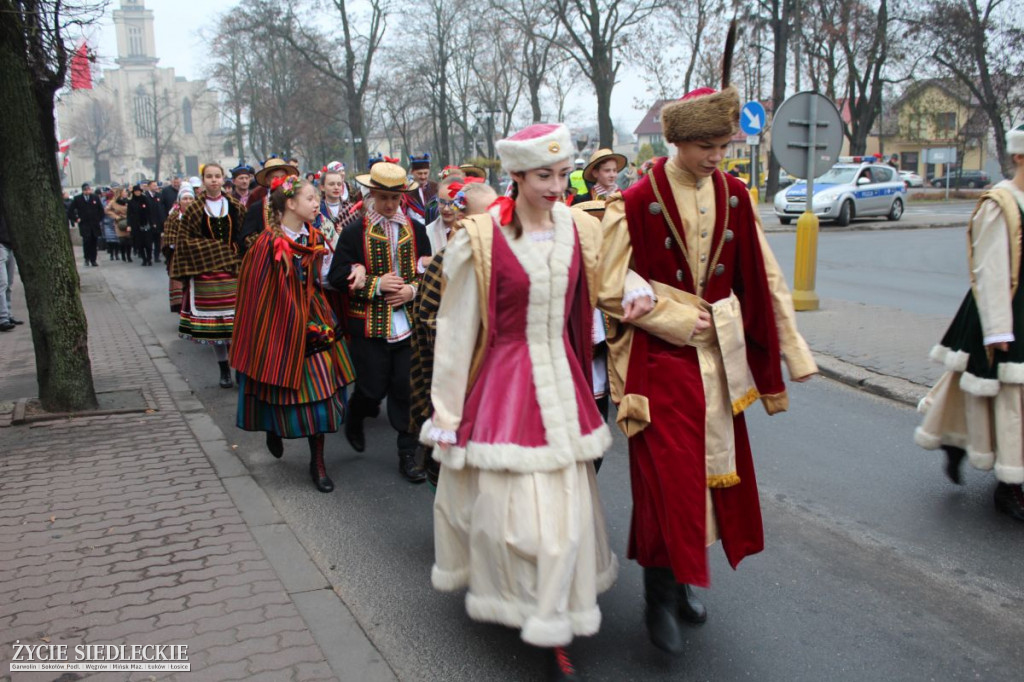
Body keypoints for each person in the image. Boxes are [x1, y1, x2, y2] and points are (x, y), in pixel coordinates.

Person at [596, 32, 817, 656]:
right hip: (656, 364)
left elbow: (765, 277)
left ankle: (687, 572)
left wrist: (792, 353)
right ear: (676, 140)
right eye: (706, 146)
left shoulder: (738, 195)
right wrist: (670, 319)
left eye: (725, 145)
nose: (719, 156)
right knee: (668, 481)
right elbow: (609, 287)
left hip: (719, 364)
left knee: (708, 477)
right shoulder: (633, 201)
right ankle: (658, 594)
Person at [422, 123, 616, 681]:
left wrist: (641, 294)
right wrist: (447, 412)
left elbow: (610, 283)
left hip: (563, 380)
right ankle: (526, 599)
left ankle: (551, 613)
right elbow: (456, 327)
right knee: (515, 519)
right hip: (506, 386)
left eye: (562, 174)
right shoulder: (481, 237)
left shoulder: (580, 227)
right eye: (543, 176)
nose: (557, 186)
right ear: (516, 176)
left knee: (564, 511)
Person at [915, 124, 1024, 522]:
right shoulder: (1002, 204)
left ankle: (954, 439)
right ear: (1018, 157)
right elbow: (991, 269)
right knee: (1010, 400)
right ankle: (1009, 487)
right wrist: (999, 329)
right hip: (1003, 311)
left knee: (969, 390)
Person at [231, 174, 356, 493]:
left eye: (317, 198)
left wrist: (354, 272)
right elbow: (254, 293)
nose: (317, 204)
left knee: (323, 393)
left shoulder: (316, 236)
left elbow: (327, 277)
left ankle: (317, 462)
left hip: (313, 320)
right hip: (277, 321)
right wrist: (275, 323)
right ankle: (273, 426)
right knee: (275, 383)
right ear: (290, 203)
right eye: (311, 198)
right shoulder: (266, 245)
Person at [326, 161, 430, 484]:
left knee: (406, 388)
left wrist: (411, 290)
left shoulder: (416, 229)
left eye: (394, 198)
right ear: (371, 194)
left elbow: (427, 272)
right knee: (371, 388)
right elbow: (337, 276)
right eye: (383, 197)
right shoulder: (355, 231)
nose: (388, 205)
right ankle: (357, 414)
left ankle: (406, 454)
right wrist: (375, 285)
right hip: (369, 325)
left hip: (407, 324)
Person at [409, 180, 497, 486]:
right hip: (456, 377)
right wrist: (468, 348)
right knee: (451, 463)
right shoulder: (445, 260)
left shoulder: (506, 254)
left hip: (496, 376)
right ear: (464, 219)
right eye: (486, 217)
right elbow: (428, 319)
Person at [170, 163, 246, 389]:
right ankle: (223, 369)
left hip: (232, 272)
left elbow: (243, 236)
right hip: (206, 274)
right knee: (216, 328)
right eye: (209, 177)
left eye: (217, 176)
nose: (214, 180)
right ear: (203, 180)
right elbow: (185, 241)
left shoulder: (234, 206)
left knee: (236, 324)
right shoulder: (194, 209)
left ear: (224, 179)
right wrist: (216, 250)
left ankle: (239, 368)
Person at [237, 157, 300, 252]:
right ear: (267, 180)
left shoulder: (296, 204)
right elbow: (245, 237)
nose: (279, 180)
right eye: (275, 177)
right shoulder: (257, 207)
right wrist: (267, 242)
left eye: (282, 177)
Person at [162, 185, 196, 313]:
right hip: (178, 255)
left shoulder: (199, 214)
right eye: (185, 198)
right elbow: (169, 238)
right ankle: (182, 308)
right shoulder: (173, 217)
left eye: (190, 199)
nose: (187, 201)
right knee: (179, 283)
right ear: (179, 201)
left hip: (195, 254)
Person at [67, 183, 104, 267]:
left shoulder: (95, 197)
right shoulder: (77, 199)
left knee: (94, 242)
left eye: (88, 189)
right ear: (83, 191)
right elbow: (70, 211)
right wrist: (76, 219)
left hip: (94, 224)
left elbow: (101, 210)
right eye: (86, 190)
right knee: (87, 241)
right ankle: (87, 258)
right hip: (84, 224)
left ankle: (93, 259)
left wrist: (98, 219)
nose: (88, 191)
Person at [0, 205, 22, 332]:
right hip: (2, 244)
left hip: (10, 245)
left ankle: (7, 314)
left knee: (9, 283)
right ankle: (3, 318)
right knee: (2, 282)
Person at [404, 152, 438, 230]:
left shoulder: (436, 187)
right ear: (412, 172)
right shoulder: (407, 191)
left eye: (425, 173)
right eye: (419, 173)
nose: (423, 177)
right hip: (415, 231)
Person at [126, 185, 156, 266]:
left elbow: (150, 212)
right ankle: (144, 259)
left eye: (139, 191)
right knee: (140, 244)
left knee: (148, 244)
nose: (137, 192)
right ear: (134, 192)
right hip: (136, 225)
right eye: (136, 191)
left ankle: (149, 258)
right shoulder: (131, 202)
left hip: (146, 224)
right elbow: (129, 214)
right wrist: (129, 225)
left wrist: (153, 222)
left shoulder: (145, 199)